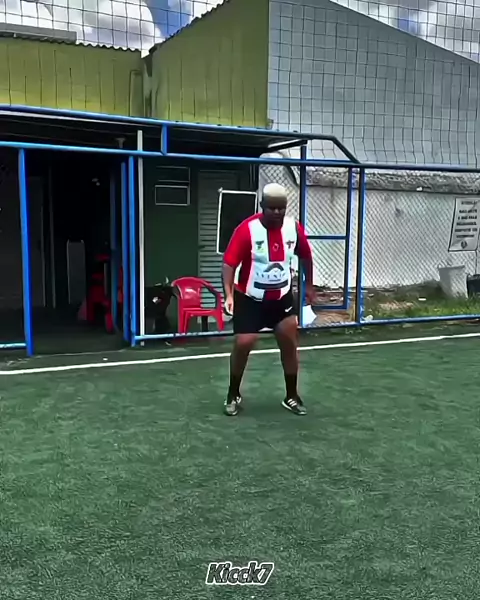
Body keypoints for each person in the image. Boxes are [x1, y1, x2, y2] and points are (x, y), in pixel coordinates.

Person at [222, 183, 315, 417]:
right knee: (244, 343)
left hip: (281, 298)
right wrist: (229, 294)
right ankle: (233, 393)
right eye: (271, 208)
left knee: (289, 340)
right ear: (262, 206)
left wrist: (309, 286)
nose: (276, 212)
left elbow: (306, 256)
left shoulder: (293, 229)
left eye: (280, 208)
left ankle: (291, 396)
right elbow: (229, 264)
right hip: (250, 299)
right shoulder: (247, 230)